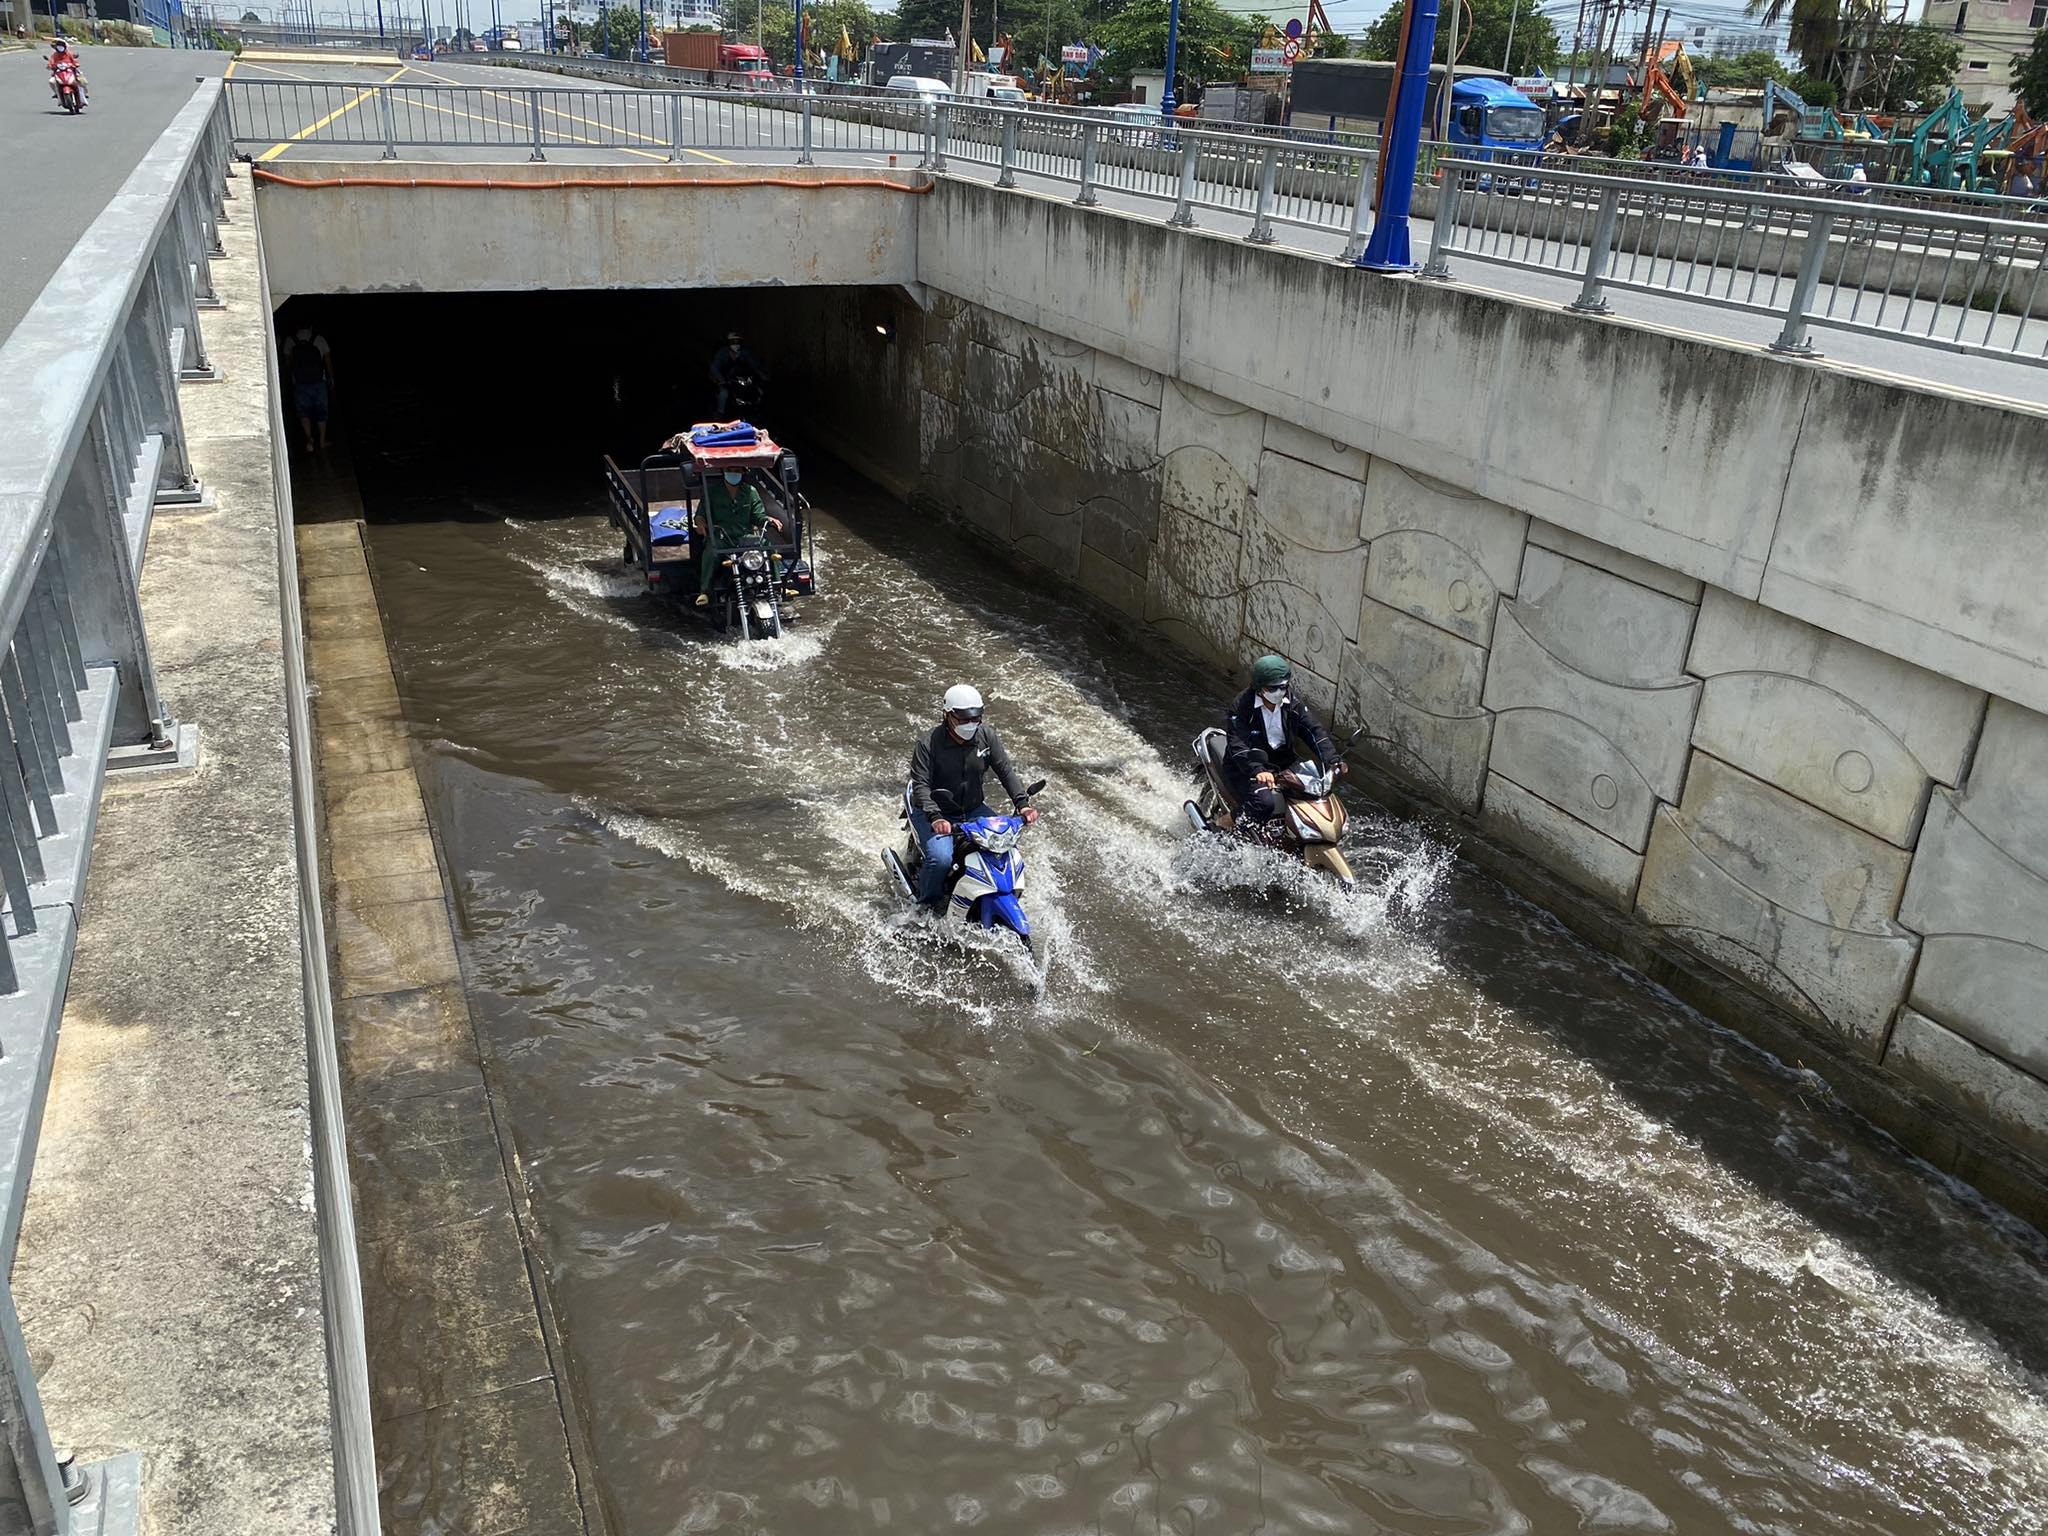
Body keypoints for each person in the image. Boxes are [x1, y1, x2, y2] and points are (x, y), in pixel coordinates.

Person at [907, 684, 1038, 912]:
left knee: (1006, 848)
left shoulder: (987, 736)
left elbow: (1005, 771)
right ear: (947, 715)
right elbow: (921, 785)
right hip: (937, 813)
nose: (970, 725)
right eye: (963, 719)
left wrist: (1023, 805)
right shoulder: (928, 744)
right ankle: (925, 906)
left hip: (974, 809)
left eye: (976, 719)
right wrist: (936, 816)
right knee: (940, 859)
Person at [1223, 654, 1341, 828]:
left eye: (1283, 686)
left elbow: (1314, 731)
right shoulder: (1242, 706)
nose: (1279, 692)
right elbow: (1238, 743)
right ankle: (1225, 822)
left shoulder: (1292, 704)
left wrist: (1333, 759)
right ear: (1259, 687)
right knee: (1264, 804)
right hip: (1247, 767)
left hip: (1283, 765)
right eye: (1273, 688)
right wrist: (1258, 770)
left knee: (1313, 795)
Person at [694, 466, 782, 606]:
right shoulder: (711, 491)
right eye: (730, 470)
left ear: (743, 473)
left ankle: (778, 585)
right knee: (711, 552)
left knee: (767, 545)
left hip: (743, 537)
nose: (734, 473)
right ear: (724, 471)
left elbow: (757, 516)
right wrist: (700, 523)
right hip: (721, 538)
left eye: (737, 471)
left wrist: (768, 520)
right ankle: (704, 591)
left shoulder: (750, 492)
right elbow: (700, 515)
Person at [282, 326, 332, 452]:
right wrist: (331, 378)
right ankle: (322, 441)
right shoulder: (319, 339)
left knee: (303, 413)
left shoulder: (290, 340)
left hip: (299, 383)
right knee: (322, 413)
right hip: (319, 382)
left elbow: (288, 364)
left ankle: (309, 438)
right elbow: (327, 360)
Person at [708, 333, 766, 416]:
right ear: (728, 343)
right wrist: (720, 378)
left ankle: (757, 412)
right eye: (733, 342)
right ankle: (720, 413)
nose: (736, 345)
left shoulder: (744, 353)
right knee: (724, 394)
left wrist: (762, 375)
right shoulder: (722, 354)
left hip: (739, 379)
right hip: (724, 379)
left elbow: (754, 364)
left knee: (757, 391)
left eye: (738, 342)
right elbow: (714, 367)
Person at [47, 36, 87, 106]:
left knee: (81, 82)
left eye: (61, 46)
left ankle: (82, 99)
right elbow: (51, 62)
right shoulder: (54, 55)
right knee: (51, 82)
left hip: (71, 72)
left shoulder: (69, 54)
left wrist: (75, 64)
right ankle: (59, 97)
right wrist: (50, 66)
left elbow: (75, 61)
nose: (60, 48)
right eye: (58, 46)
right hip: (59, 73)